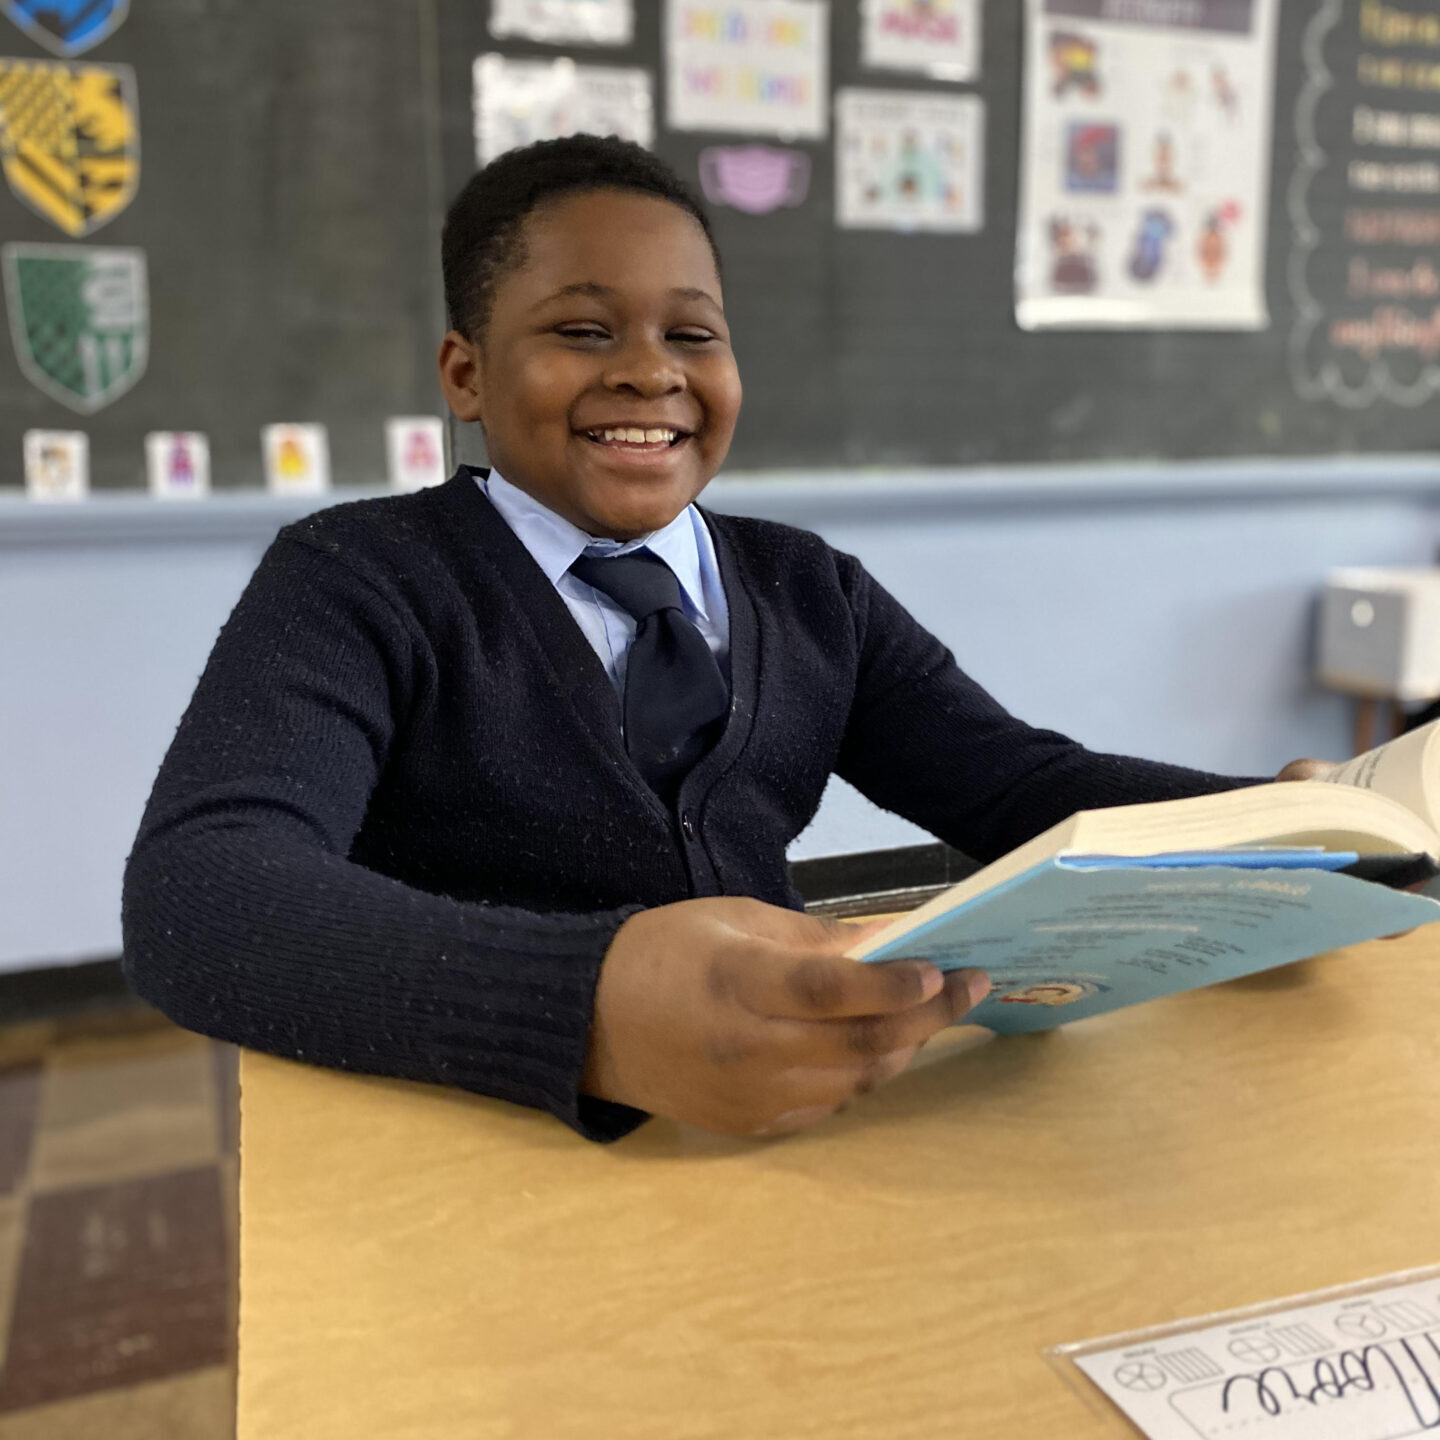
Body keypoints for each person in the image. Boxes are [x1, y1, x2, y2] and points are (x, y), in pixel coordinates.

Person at [122, 136, 1293, 1143]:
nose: (649, 371)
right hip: (479, 1127)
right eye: (582, 329)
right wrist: (582, 1008)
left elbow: (1021, 785)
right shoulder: (362, 577)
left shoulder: (807, 590)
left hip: (778, 1120)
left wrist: (1286, 823)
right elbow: (201, 891)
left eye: (695, 333)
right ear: (467, 373)